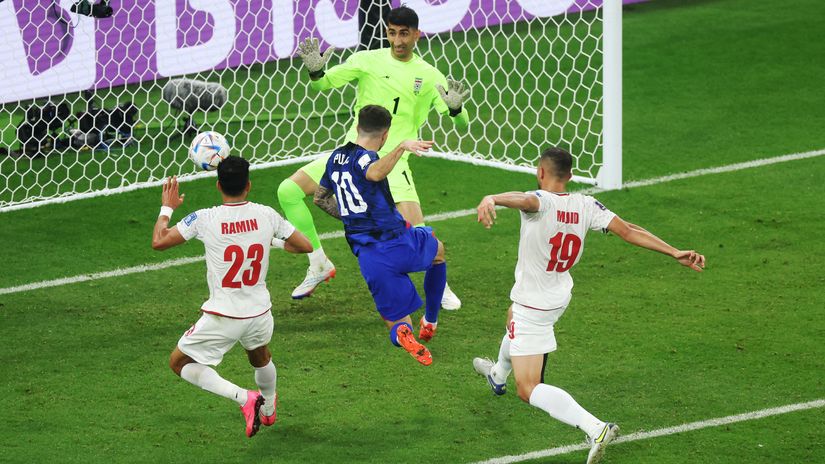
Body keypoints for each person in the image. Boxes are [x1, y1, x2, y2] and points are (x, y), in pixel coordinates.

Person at [472, 147, 706, 464]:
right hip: (556, 296)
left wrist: (492, 198)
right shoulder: (586, 204)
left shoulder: (539, 202)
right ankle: (497, 374)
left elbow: (526, 200)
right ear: (569, 176)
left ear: (541, 173)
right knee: (511, 316)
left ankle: (595, 428)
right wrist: (674, 251)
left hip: (534, 304)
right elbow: (628, 230)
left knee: (528, 388)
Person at [279, 5, 468, 308]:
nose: (398, 40)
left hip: (394, 160)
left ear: (417, 35)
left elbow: (461, 121)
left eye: (404, 34)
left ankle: (439, 285)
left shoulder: (429, 75)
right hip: (349, 156)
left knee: (418, 230)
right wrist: (315, 70)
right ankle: (318, 262)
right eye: (392, 33)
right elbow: (323, 83)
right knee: (288, 190)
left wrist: (457, 109)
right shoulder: (366, 61)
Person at [151, 156, 313, 438]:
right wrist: (269, 239)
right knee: (260, 356)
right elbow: (304, 246)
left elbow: (159, 241)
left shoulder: (205, 218)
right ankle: (269, 408)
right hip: (260, 312)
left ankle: (244, 398)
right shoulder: (266, 214)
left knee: (179, 363)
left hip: (223, 315)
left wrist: (168, 207)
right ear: (248, 185)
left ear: (218, 185)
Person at [313, 105, 447, 366]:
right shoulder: (366, 158)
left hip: (368, 255)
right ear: (384, 135)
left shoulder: (335, 158)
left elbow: (320, 198)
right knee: (438, 251)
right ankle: (430, 319)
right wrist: (401, 147)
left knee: (397, 323)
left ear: (357, 127)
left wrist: (352, 217)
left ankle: (405, 334)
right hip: (397, 240)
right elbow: (373, 172)